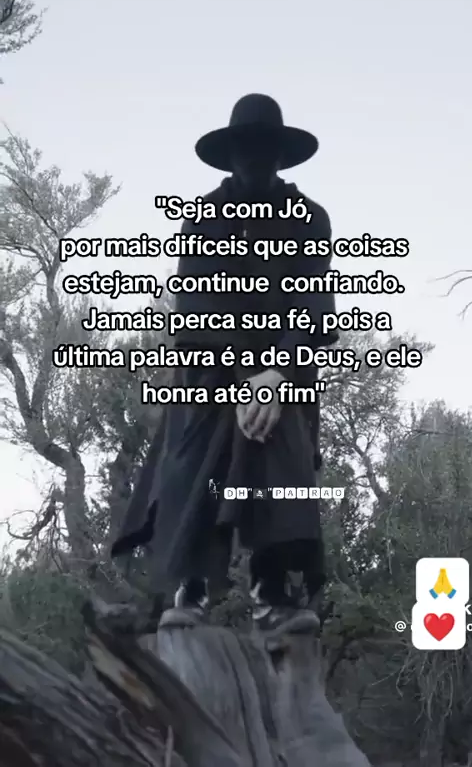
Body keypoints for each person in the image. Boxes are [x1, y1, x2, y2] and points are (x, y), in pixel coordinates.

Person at [111, 94, 338, 637]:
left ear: (280, 155)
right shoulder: (201, 220)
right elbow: (197, 309)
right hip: (210, 365)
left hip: (284, 368)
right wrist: (243, 383)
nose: (255, 158)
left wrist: (276, 376)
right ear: (231, 154)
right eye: (246, 148)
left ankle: (272, 585)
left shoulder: (310, 219)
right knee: (193, 452)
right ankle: (190, 586)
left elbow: (313, 302)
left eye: (266, 148)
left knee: (281, 439)